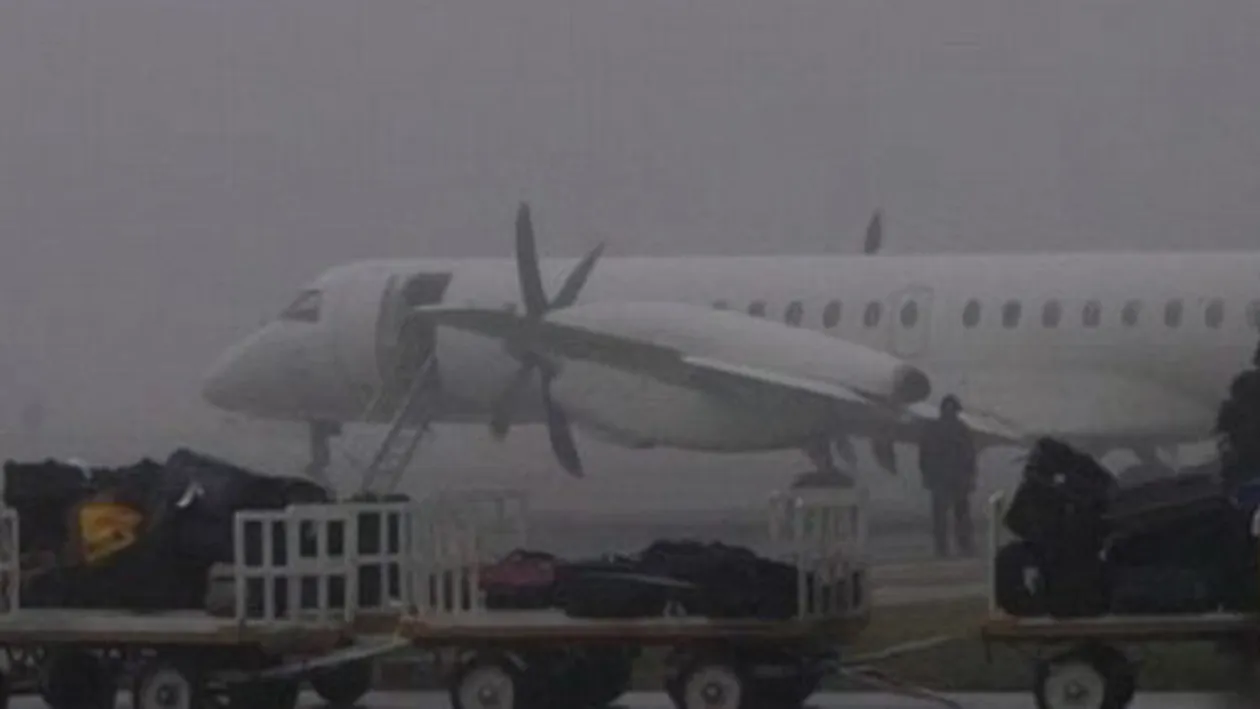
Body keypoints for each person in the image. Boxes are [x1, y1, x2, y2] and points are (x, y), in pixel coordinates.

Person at [917, 395, 978, 557]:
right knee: (958, 515)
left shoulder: (933, 429)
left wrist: (927, 476)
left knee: (945, 516)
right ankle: (960, 546)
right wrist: (971, 476)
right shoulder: (961, 430)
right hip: (952, 479)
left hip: (944, 479)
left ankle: (944, 547)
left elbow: (923, 457)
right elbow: (970, 456)